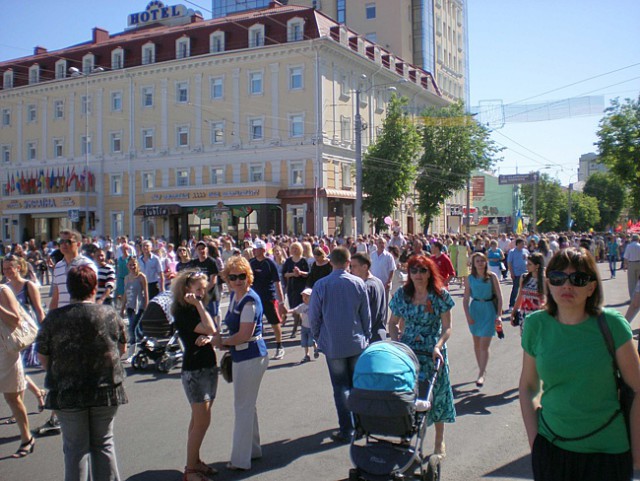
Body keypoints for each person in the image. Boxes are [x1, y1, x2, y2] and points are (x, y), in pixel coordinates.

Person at [519, 247, 640, 480]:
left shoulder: (612, 324)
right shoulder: (536, 325)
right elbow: (527, 387)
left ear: (591, 287)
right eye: (558, 278)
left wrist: (637, 450)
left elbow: (637, 388)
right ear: (548, 283)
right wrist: (536, 444)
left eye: (578, 279)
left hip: (607, 453)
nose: (567, 286)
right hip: (552, 451)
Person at [36, 265, 128, 480]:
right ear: (95, 288)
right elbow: (122, 348)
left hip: (68, 391)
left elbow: (43, 359)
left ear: (69, 289)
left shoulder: (54, 319)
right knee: (104, 443)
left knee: (75, 449)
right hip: (105, 390)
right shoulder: (108, 314)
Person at [388, 254, 455, 457]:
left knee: (438, 397)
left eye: (422, 270)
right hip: (409, 353)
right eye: (414, 270)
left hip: (433, 351)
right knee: (408, 396)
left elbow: (447, 327)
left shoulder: (440, 295)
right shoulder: (402, 294)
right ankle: (407, 439)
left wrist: (438, 345)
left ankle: (439, 441)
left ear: (429, 273)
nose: (418, 275)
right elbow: (392, 323)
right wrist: (397, 342)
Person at [309, 246, 371, 443]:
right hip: (355, 341)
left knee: (340, 386)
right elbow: (365, 315)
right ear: (347, 263)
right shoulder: (358, 283)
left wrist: (317, 336)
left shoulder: (321, 285)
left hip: (333, 343)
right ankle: (360, 424)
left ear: (330, 262)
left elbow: (314, 315)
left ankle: (347, 428)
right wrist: (366, 335)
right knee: (356, 384)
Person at [215, 256, 269, 471]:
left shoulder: (249, 300)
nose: (238, 280)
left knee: (243, 407)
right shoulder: (236, 296)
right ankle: (253, 450)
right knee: (248, 405)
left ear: (249, 276)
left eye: (242, 276)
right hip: (243, 356)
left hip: (251, 355)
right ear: (227, 279)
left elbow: (244, 334)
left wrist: (223, 343)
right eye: (233, 277)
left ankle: (240, 460)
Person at [171, 269, 219, 481]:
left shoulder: (196, 308)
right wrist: (199, 305)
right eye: (198, 288)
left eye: (204, 288)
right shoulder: (185, 311)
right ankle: (190, 471)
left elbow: (211, 332)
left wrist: (208, 337)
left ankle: (195, 461)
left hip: (207, 366)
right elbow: (210, 327)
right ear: (186, 289)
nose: (202, 292)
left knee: (198, 420)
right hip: (195, 370)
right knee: (202, 421)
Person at [0, 283, 34, 458]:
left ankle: (27, 438)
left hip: (6, 350)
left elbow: (15, 319)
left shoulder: (3, 290)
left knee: (11, 397)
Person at [463, 253, 503, 387]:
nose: (480, 263)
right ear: (473, 264)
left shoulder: (492, 277)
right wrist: (468, 315)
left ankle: (481, 373)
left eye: (482, 261)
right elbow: (466, 298)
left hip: (489, 309)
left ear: (486, 262)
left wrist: (499, 315)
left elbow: (499, 296)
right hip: (475, 309)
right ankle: (481, 368)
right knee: (477, 343)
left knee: (484, 344)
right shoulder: (469, 278)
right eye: (477, 261)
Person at [249, 239, 286, 360]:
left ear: (263, 250)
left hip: (268, 298)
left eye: (256, 249)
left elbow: (277, 283)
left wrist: (281, 302)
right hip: (254, 299)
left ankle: (279, 346)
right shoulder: (251, 263)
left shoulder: (270, 264)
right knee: (253, 324)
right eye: (254, 248)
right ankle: (254, 349)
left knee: (274, 323)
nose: (254, 250)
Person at [350, 252, 387, 342]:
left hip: (368, 337)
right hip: (379, 334)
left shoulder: (366, 287)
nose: (351, 270)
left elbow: (364, 315)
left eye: (354, 266)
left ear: (365, 267)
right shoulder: (378, 281)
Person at [119, 257, 148, 361]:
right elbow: (125, 294)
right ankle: (146, 342)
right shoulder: (126, 278)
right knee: (136, 330)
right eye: (130, 265)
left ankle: (131, 354)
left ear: (137, 265)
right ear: (127, 266)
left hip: (138, 306)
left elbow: (145, 292)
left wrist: (146, 306)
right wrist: (122, 308)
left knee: (131, 329)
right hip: (130, 307)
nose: (132, 267)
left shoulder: (141, 277)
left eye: (134, 264)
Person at [511, 252, 546, 333]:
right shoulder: (524, 277)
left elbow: (548, 298)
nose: (527, 265)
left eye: (530, 264)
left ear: (537, 266)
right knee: (526, 341)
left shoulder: (544, 280)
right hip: (525, 314)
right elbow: (520, 296)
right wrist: (514, 312)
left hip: (538, 314)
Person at [282, 242, 310, 338]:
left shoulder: (303, 261)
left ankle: (294, 329)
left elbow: (307, 273)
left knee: (297, 308)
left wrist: (300, 273)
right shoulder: (289, 261)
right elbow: (284, 273)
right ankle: (301, 323)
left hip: (301, 287)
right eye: (293, 248)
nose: (294, 250)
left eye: (296, 248)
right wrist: (293, 274)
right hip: (291, 287)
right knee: (293, 307)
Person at [287, 287, 318, 363]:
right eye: (303, 296)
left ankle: (315, 348)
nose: (305, 298)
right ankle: (306, 355)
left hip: (312, 327)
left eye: (307, 296)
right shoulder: (302, 306)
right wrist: (287, 311)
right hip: (304, 327)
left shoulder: (315, 305)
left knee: (311, 341)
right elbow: (295, 310)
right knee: (304, 342)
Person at [507, 238, 530, 312]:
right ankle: (511, 305)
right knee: (515, 289)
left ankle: (524, 304)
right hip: (516, 273)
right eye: (522, 243)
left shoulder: (526, 251)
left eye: (524, 243)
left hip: (525, 273)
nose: (523, 245)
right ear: (517, 244)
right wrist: (512, 273)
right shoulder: (512, 252)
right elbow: (509, 263)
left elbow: (528, 261)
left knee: (526, 290)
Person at [370, 237, 396, 302]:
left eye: (383, 243)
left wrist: (388, 282)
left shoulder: (389, 256)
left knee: (384, 304)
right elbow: (369, 268)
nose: (382, 245)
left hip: (384, 284)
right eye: (380, 243)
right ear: (376, 244)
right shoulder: (372, 255)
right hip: (374, 284)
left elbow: (392, 269)